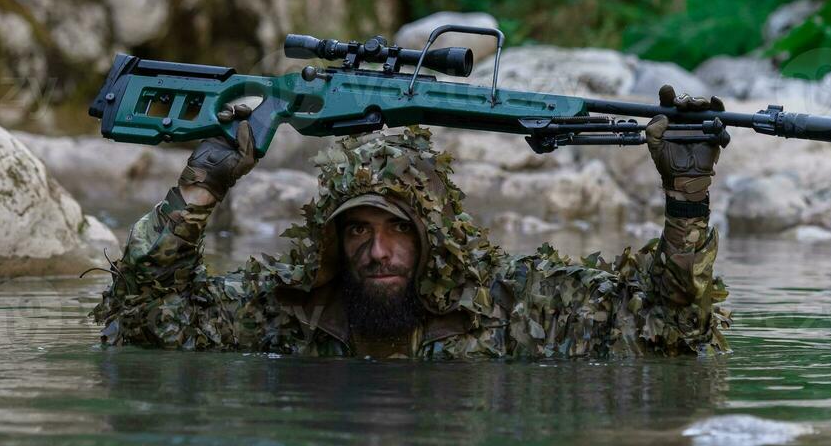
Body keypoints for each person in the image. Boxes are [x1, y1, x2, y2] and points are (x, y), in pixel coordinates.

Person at [94, 87, 730, 359]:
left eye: (398, 229)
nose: (378, 250)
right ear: (333, 243)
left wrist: (685, 197)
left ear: (434, 239)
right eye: (358, 230)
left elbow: (668, 325)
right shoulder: (285, 316)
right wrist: (202, 187)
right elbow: (144, 321)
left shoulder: (512, 311)